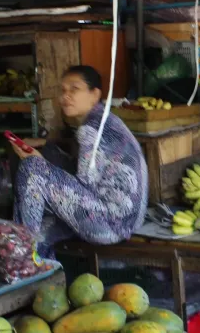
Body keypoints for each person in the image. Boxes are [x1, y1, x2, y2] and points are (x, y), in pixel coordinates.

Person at [12, 66, 148, 255]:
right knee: (44, 221)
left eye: (74, 89)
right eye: (63, 90)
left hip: (108, 223)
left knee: (31, 168)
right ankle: (37, 254)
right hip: (126, 222)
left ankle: (24, 250)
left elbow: (85, 186)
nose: (65, 96)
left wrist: (38, 161)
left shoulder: (91, 129)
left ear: (94, 94)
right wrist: (45, 147)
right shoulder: (104, 119)